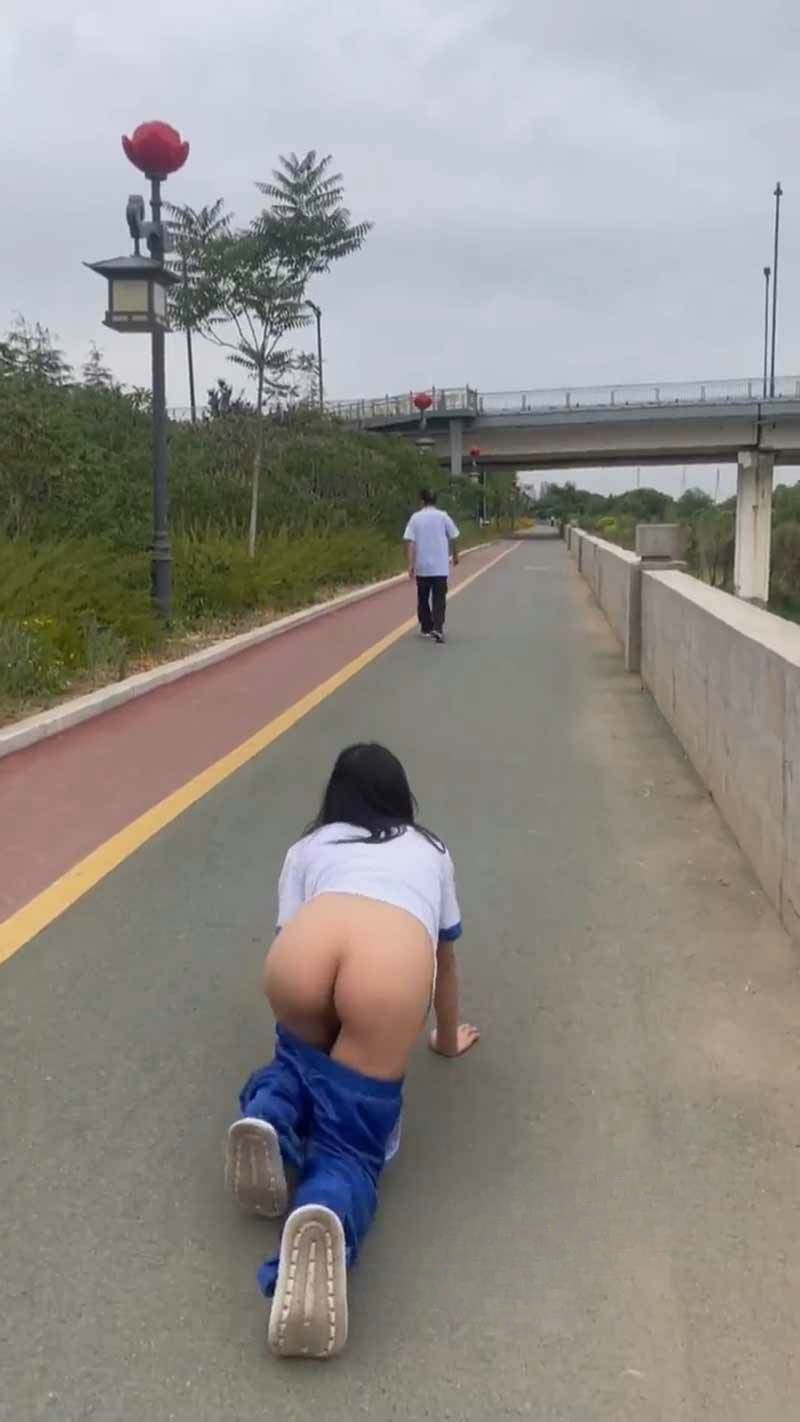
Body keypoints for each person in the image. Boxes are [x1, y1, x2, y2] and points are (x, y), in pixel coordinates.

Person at [225, 744, 479, 1360]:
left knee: (298, 1056)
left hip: (305, 950)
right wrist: (447, 1038)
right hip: (388, 963)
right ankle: (327, 1208)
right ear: (401, 796)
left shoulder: (310, 847)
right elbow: (443, 961)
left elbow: (290, 937)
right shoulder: (431, 849)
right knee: (352, 1141)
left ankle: (272, 1113)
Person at [404, 488, 460, 643]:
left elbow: (410, 542)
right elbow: (454, 536)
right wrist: (455, 555)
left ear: (422, 501)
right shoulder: (443, 516)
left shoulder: (415, 518)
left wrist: (410, 564)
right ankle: (438, 628)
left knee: (423, 597)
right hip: (440, 567)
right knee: (439, 598)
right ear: (435, 501)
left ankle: (426, 626)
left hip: (422, 566)